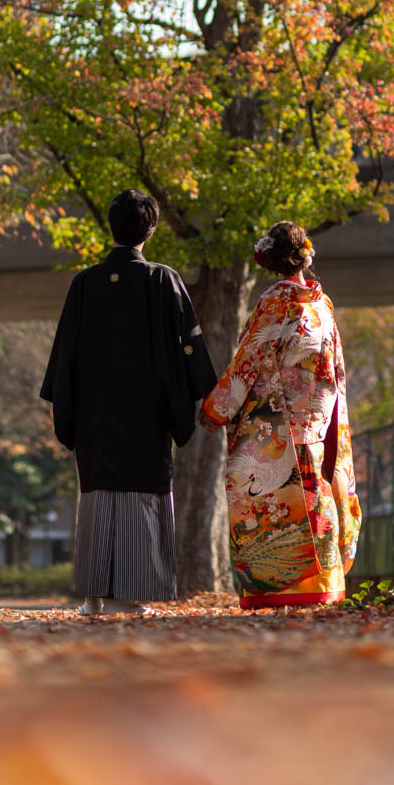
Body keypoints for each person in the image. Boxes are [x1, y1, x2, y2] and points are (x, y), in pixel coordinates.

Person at [40, 189, 217, 615]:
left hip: (95, 415)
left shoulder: (84, 283)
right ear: (151, 229)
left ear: (111, 227)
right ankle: (130, 597)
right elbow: (189, 346)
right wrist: (203, 390)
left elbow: (64, 354)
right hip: (148, 412)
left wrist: (65, 409)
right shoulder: (163, 280)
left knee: (98, 496)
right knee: (142, 494)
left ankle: (93, 597)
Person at [200, 221, 361, 609]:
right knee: (315, 494)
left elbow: (250, 359)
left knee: (277, 498)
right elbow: (335, 367)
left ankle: (286, 587)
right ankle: (323, 584)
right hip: (318, 419)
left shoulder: (276, 301)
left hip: (278, 419)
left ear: (271, 261)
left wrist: (217, 408)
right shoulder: (322, 303)